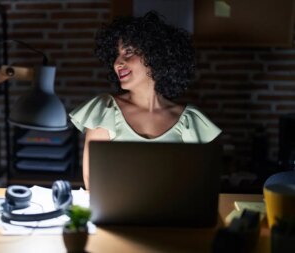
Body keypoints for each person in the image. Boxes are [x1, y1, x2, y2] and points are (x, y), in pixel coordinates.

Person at [69, 11, 221, 190]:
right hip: (116, 216)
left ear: (155, 56)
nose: (118, 62)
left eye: (129, 52)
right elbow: (92, 183)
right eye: (116, 55)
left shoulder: (190, 121)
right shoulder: (105, 110)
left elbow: (200, 186)